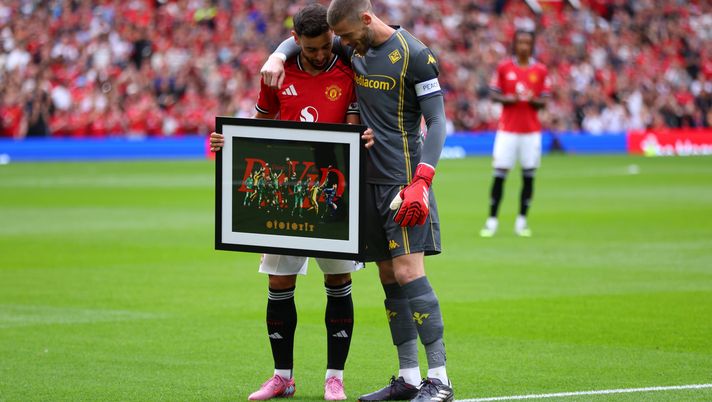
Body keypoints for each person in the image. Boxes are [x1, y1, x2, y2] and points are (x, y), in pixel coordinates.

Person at [261, 0, 452, 400]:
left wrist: (423, 179)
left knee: (408, 272)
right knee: (388, 278)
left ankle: (440, 379)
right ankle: (410, 377)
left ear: (365, 20)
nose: (341, 48)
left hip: (404, 183)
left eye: (344, 38)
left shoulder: (414, 55)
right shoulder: (355, 46)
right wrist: (278, 55)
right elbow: (303, 40)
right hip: (367, 184)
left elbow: (436, 121)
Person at [209, 4, 374, 400]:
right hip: (285, 194)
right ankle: (283, 376)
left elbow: (354, 130)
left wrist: (363, 140)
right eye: (312, 48)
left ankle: (335, 376)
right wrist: (229, 143)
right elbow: (260, 129)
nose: (320, 54)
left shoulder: (348, 68)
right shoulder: (277, 74)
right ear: (296, 40)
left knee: (337, 281)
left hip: (334, 194)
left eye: (325, 46)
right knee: (279, 283)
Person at [480, 29, 550, 238]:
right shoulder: (504, 67)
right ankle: (492, 220)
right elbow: (493, 94)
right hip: (508, 131)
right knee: (499, 175)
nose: (523, 46)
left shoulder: (540, 70)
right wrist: (507, 99)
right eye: (520, 42)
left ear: (532, 45)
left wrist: (531, 99)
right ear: (515, 44)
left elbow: (544, 101)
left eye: (527, 42)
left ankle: (522, 220)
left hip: (531, 132)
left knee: (528, 176)